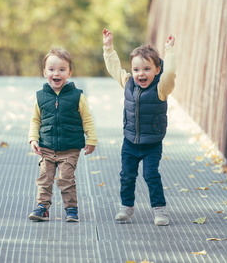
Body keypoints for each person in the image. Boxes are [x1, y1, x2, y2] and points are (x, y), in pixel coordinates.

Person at [102, 28, 176, 226]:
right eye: (136, 70)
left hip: (152, 143)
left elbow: (170, 72)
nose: (140, 74)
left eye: (146, 69)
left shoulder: (161, 88)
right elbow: (115, 69)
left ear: (157, 70)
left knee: (150, 175)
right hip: (130, 142)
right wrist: (108, 48)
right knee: (127, 175)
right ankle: (126, 207)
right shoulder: (128, 84)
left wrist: (169, 52)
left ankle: (160, 210)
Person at [28, 47, 97, 222]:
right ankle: (42, 208)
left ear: (69, 72)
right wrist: (33, 139)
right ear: (45, 72)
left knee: (66, 179)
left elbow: (87, 119)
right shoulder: (41, 97)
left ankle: (71, 209)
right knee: (45, 178)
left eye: (61, 69)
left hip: (70, 148)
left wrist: (91, 139)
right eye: (51, 69)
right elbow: (35, 120)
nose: (56, 73)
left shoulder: (77, 96)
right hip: (46, 146)